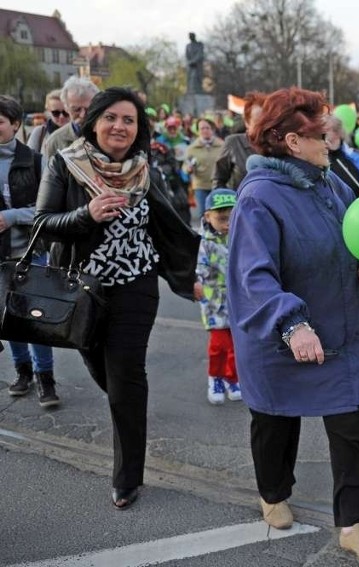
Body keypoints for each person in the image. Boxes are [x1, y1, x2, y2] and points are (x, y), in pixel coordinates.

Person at [227, 87, 359, 561]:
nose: (330, 141)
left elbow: (358, 240)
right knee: (276, 426)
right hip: (282, 339)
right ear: (292, 141)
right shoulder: (258, 197)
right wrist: (293, 324)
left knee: (351, 431)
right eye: (321, 133)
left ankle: (354, 524)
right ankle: (274, 494)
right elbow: (252, 277)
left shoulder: (329, 182)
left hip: (340, 335)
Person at [35, 87, 200, 509]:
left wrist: (193, 274)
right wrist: (84, 215)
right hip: (82, 287)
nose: (119, 126)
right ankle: (127, 408)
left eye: (129, 120)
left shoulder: (146, 170)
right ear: (93, 122)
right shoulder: (65, 163)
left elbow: (168, 226)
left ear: (138, 128)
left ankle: (127, 476)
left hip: (136, 285)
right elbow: (43, 223)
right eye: (111, 117)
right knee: (99, 364)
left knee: (127, 376)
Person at [0, 95, 59, 408]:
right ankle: (22, 372)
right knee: (10, 319)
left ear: (14, 125)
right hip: (0, 256)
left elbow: (44, 208)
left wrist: (11, 217)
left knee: (35, 318)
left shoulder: (35, 160)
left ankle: (45, 378)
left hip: (31, 252)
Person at [194, 188, 241, 405]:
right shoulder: (205, 241)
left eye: (233, 217)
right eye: (222, 218)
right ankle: (216, 377)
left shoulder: (241, 236)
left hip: (239, 301)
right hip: (214, 303)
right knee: (219, 344)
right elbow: (200, 268)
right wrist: (197, 283)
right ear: (207, 217)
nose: (228, 223)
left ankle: (233, 377)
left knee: (237, 344)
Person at [42, 77, 100, 161]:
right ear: (66, 108)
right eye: (76, 109)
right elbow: (48, 172)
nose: (82, 115)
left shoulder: (109, 134)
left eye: (88, 109)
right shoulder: (55, 141)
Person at [213, 92, 263, 189]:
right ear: (247, 122)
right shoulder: (233, 143)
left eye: (267, 121)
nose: (263, 126)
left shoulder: (278, 144)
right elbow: (219, 179)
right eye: (258, 122)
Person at [325, 115, 359, 199]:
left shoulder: (352, 156)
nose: (322, 133)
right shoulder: (320, 157)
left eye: (326, 130)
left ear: (337, 132)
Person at [184, 117, 224, 219]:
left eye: (207, 128)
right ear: (198, 131)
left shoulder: (222, 145)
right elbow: (185, 166)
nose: (205, 131)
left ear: (213, 129)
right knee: (204, 214)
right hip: (201, 185)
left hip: (218, 184)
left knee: (219, 214)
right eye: (202, 128)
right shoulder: (192, 148)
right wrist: (188, 169)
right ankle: (205, 234)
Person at [27, 90, 70, 154]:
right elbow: (29, 159)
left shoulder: (79, 132)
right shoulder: (40, 132)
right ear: (48, 111)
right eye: (56, 113)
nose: (61, 116)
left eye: (65, 112)